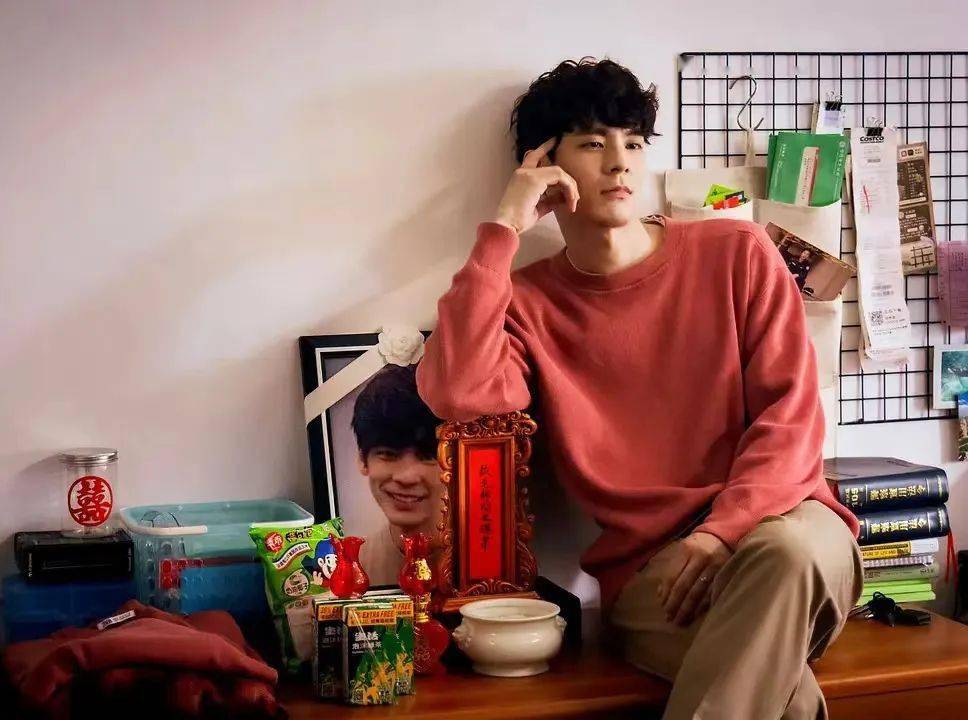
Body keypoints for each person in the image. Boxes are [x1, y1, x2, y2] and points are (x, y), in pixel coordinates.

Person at [416, 57, 862, 720]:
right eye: (593, 143)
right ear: (544, 167)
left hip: (789, 525)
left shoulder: (737, 254)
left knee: (786, 554)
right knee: (782, 696)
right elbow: (460, 394)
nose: (620, 162)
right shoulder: (528, 304)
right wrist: (504, 227)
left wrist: (721, 533)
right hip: (655, 574)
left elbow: (792, 419)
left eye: (633, 141)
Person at [351, 364, 444, 586]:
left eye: (428, 456)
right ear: (363, 460)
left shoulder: (497, 565)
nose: (407, 477)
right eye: (388, 454)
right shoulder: (353, 568)